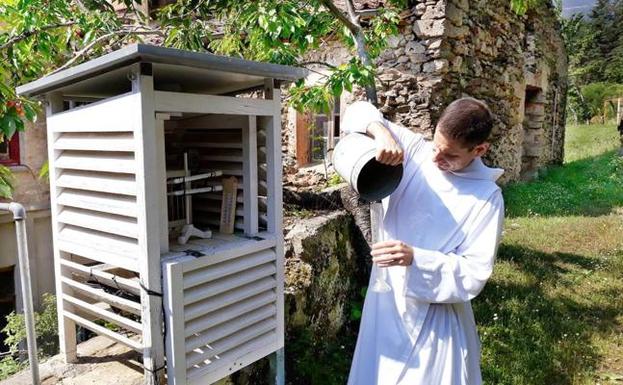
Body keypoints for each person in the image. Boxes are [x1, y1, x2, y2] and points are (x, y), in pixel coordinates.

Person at [342, 98, 505, 385]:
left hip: (435, 316)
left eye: (450, 156)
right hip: (386, 300)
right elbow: (355, 111)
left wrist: (415, 258)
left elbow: (474, 272)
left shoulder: (486, 198)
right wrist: (380, 132)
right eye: (436, 146)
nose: (436, 160)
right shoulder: (416, 151)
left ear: (479, 150)